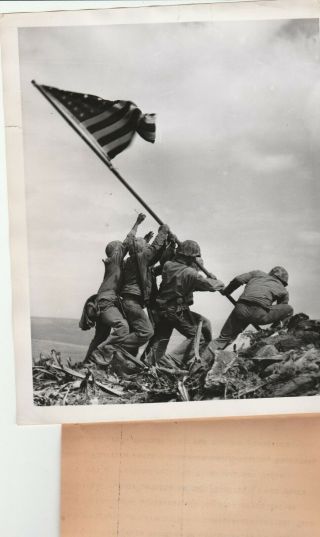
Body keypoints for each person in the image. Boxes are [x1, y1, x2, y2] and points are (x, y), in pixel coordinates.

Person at [98, 223, 171, 356]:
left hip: (130, 302)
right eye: (145, 246)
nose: (147, 247)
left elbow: (156, 255)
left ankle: (118, 356)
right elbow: (153, 250)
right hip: (131, 302)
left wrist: (168, 243)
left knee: (138, 332)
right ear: (140, 249)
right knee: (146, 332)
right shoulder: (140, 258)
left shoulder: (135, 261)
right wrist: (163, 232)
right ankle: (109, 348)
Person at [83, 212, 146, 362]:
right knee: (123, 327)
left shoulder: (115, 264)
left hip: (102, 302)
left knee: (100, 336)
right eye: (120, 248)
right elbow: (127, 241)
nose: (122, 249)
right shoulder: (114, 260)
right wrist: (137, 223)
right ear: (116, 250)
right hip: (106, 302)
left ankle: (87, 363)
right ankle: (102, 353)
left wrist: (145, 241)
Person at [152, 240, 225, 368]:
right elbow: (213, 286)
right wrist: (215, 280)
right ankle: (171, 361)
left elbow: (190, 285)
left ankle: (151, 363)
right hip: (176, 311)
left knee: (162, 338)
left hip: (163, 309)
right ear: (191, 257)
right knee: (198, 337)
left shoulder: (168, 265)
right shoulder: (190, 273)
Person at [214, 266, 294, 349]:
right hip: (258, 314)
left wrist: (226, 291)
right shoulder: (283, 290)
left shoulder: (257, 273)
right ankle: (270, 334)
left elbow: (238, 279)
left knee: (223, 339)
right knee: (289, 309)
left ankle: (204, 359)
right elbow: (280, 309)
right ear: (283, 281)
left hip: (240, 309)